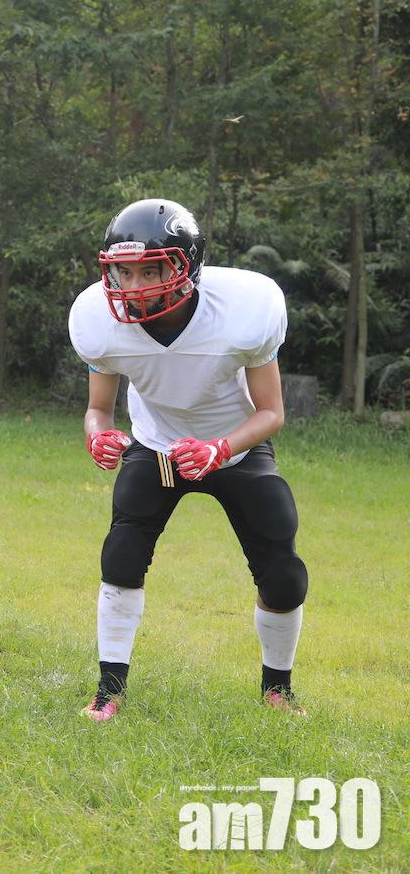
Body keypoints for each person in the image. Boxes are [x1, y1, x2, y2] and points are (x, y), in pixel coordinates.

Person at [69, 198, 306, 720]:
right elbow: (97, 410)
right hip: (157, 445)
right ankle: (109, 689)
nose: (133, 287)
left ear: (186, 267)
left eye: (150, 271)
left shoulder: (244, 309)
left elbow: (272, 413)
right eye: (124, 272)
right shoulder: (97, 320)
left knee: (284, 575)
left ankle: (278, 689)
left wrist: (220, 448)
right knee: (121, 559)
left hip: (234, 447)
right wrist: (98, 435)